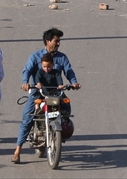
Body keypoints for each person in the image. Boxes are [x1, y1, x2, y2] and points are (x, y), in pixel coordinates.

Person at [12, 28, 80, 164]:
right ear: (47, 41)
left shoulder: (62, 57)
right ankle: (17, 151)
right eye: (56, 41)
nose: (58, 43)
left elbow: (69, 71)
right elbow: (27, 71)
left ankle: (59, 134)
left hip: (56, 92)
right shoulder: (35, 56)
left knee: (66, 107)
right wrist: (25, 83)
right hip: (39, 92)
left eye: (59, 41)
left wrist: (74, 83)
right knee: (27, 118)